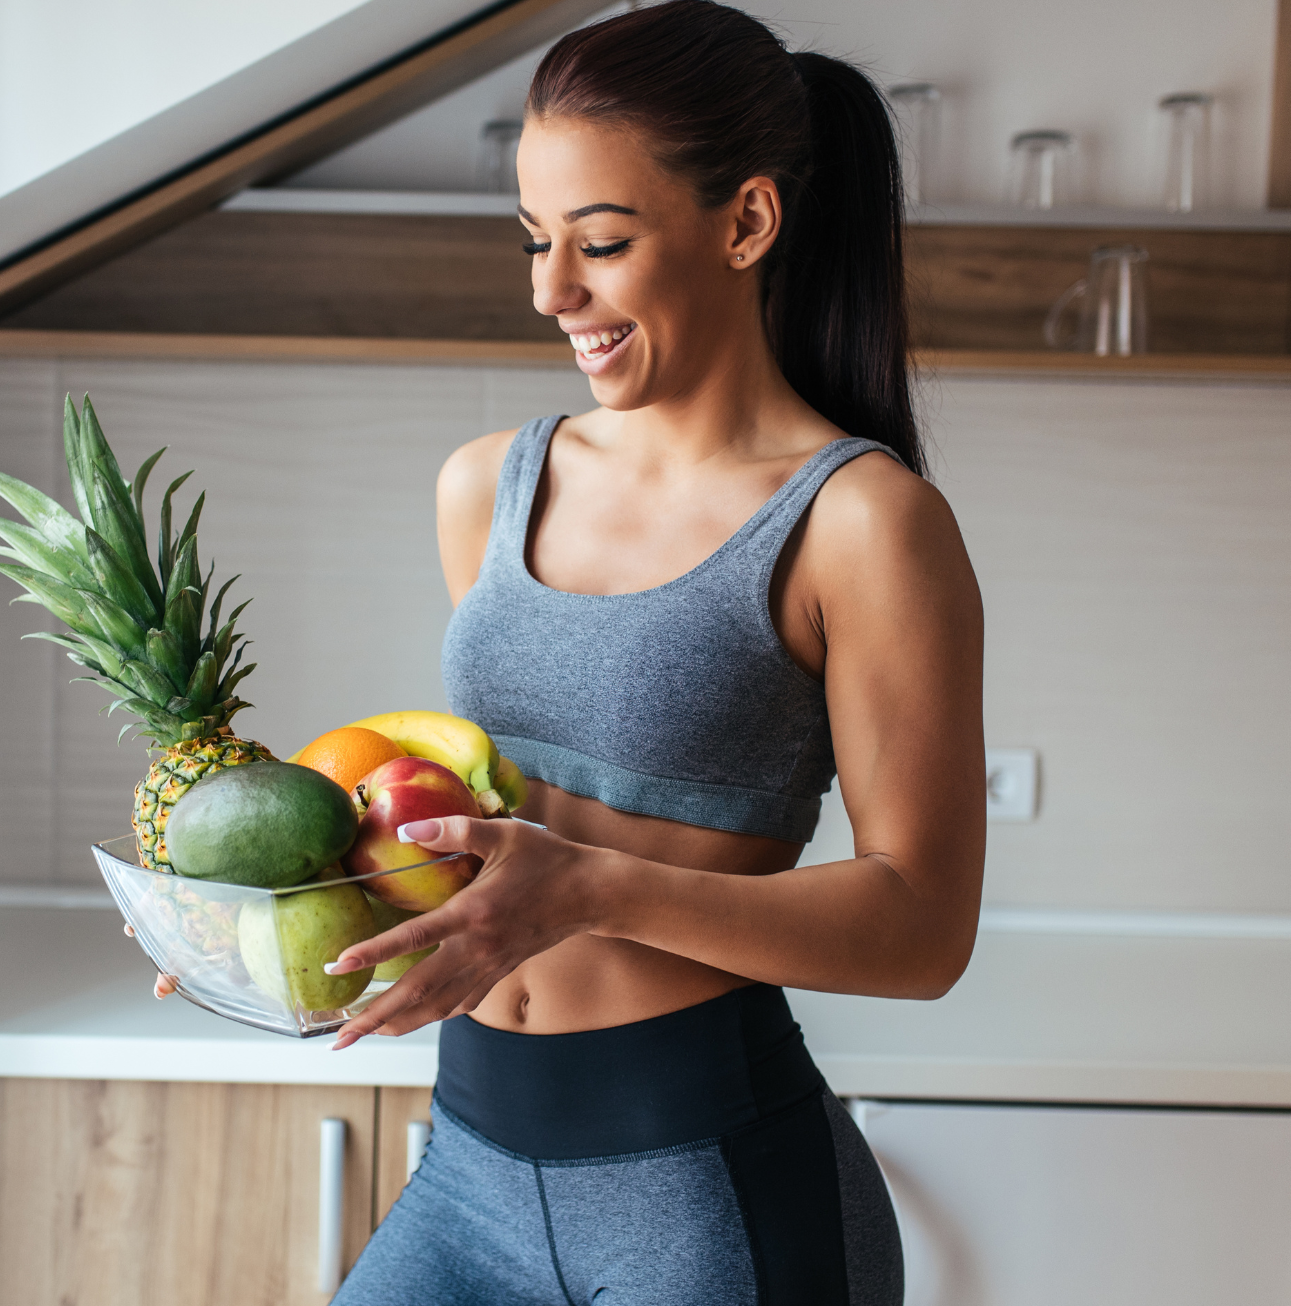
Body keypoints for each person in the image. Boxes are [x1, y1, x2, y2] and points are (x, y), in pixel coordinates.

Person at [318, 4, 986, 1303]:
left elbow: (923, 926)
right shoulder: (488, 487)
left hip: (709, 1200)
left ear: (744, 223)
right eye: (534, 240)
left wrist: (590, 888)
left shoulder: (861, 523)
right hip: (468, 1167)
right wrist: (269, 916)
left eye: (601, 243)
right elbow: (495, 839)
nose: (549, 290)